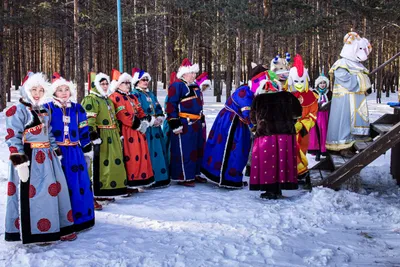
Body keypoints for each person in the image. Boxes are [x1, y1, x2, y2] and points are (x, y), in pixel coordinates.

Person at [5, 72, 76, 244]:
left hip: (48, 158)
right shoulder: (18, 110)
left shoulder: (44, 109)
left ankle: (55, 228)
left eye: (41, 90)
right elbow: (12, 136)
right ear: (27, 90)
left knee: (54, 193)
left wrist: (55, 150)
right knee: (35, 196)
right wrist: (19, 162)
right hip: (29, 158)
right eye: (34, 89)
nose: (37, 93)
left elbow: (49, 132)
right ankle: (36, 232)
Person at [201, 65, 271, 189]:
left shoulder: (251, 91)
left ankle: (231, 176)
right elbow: (247, 114)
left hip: (236, 123)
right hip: (231, 124)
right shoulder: (244, 92)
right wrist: (256, 128)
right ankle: (225, 178)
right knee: (232, 150)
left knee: (240, 150)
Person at [45, 72, 95, 231]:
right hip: (57, 152)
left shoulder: (77, 108)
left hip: (75, 152)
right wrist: (54, 149)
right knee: (63, 184)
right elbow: (46, 131)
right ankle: (63, 220)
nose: (64, 92)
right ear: (54, 92)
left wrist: (87, 148)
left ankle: (82, 218)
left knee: (79, 183)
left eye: (66, 89)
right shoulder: (48, 108)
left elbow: (83, 129)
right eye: (60, 90)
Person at [249, 71, 302, 199]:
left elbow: (253, 118)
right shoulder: (288, 96)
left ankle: (269, 190)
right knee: (282, 161)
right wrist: (289, 120)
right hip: (285, 135)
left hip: (266, 135)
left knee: (268, 161)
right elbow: (298, 113)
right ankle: (278, 188)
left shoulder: (259, 99)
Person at [82, 72, 127, 201]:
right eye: (102, 83)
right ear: (96, 85)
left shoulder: (107, 99)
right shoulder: (92, 99)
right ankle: (99, 191)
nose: (105, 86)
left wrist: (118, 133)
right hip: (101, 136)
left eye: (107, 83)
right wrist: (93, 135)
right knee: (101, 164)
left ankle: (109, 190)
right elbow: (89, 119)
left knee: (113, 164)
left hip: (112, 136)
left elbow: (114, 118)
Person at [326, 32, 372, 157]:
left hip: (357, 100)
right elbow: (348, 81)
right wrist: (363, 80)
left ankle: (354, 143)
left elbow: (362, 80)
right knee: (345, 122)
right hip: (345, 101)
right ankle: (343, 146)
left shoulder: (358, 65)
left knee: (355, 120)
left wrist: (364, 82)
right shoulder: (342, 64)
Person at [109, 70, 155, 189]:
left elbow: (139, 110)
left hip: (138, 131)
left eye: (129, 83)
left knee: (140, 155)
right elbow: (123, 115)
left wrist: (145, 120)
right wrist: (139, 124)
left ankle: (139, 180)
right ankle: (129, 182)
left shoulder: (132, 96)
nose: (128, 85)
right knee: (129, 156)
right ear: (118, 84)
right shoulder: (115, 97)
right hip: (126, 130)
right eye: (124, 82)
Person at [165, 58, 204, 187]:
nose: (194, 75)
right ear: (184, 74)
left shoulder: (195, 86)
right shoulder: (177, 86)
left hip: (196, 123)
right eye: (191, 73)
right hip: (184, 123)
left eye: (194, 73)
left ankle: (194, 173)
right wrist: (174, 123)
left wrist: (201, 118)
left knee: (196, 149)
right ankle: (184, 176)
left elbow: (199, 105)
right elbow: (171, 105)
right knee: (185, 150)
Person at [131, 69, 170, 188]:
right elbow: (137, 111)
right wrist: (150, 120)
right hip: (146, 128)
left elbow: (158, 107)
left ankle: (161, 178)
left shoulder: (150, 94)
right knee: (148, 152)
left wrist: (159, 117)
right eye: (143, 79)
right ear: (137, 81)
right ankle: (150, 178)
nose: (146, 82)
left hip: (156, 129)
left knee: (159, 151)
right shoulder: (135, 94)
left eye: (147, 79)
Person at [287, 54, 318, 189]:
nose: (299, 85)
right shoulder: (286, 94)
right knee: (287, 152)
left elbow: (313, 114)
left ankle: (299, 174)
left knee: (302, 150)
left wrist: (303, 124)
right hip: (287, 130)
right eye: (296, 82)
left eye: (301, 81)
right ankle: (288, 175)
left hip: (303, 131)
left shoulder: (311, 96)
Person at [308, 73, 332, 161]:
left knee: (325, 133)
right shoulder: (314, 92)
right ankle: (317, 151)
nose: (322, 84)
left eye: (324, 83)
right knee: (316, 134)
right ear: (317, 84)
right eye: (321, 83)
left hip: (326, 116)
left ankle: (325, 150)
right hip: (316, 115)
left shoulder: (329, 93)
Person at [195, 72, 212, 146]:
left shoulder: (200, 93)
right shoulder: (196, 92)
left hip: (200, 117)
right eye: (204, 86)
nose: (204, 89)